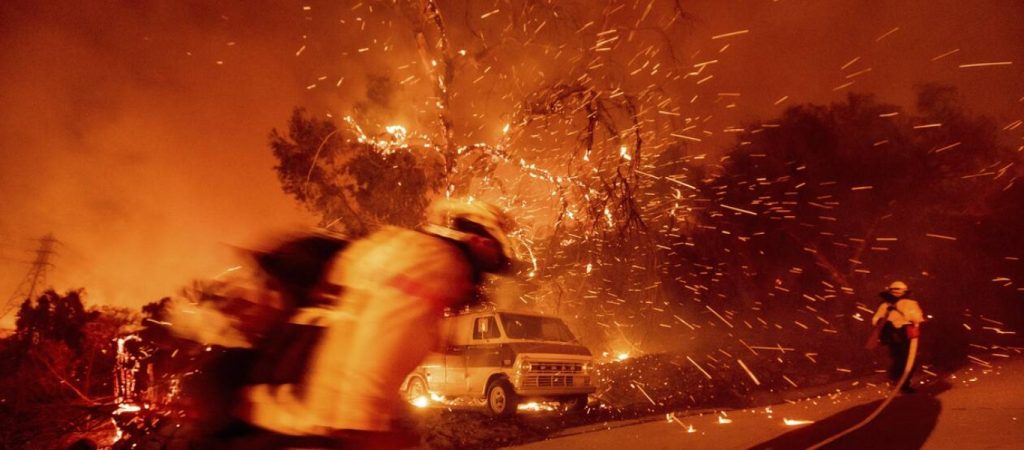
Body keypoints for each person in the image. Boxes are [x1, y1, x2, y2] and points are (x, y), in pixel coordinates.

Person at [237, 198, 516, 449]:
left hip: (283, 415)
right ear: (480, 241)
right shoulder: (438, 266)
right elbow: (381, 341)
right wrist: (364, 428)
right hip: (316, 429)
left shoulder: (403, 249)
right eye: (494, 249)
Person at [871, 280, 924, 393]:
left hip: (904, 333)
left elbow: (917, 318)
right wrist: (883, 321)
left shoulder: (908, 303)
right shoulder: (885, 305)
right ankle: (900, 382)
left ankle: (899, 382)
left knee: (903, 359)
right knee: (902, 359)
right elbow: (876, 320)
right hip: (894, 334)